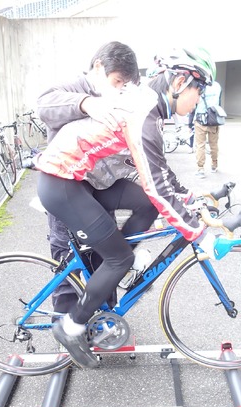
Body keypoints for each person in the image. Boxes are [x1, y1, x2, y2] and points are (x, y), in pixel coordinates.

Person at [35, 48, 222, 367]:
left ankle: (121, 272)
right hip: (61, 183)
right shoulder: (143, 110)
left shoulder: (151, 109)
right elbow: (156, 183)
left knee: (125, 236)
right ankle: (70, 327)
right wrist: (196, 232)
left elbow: (159, 172)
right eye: (198, 90)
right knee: (114, 258)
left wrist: (189, 199)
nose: (199, 100)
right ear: (178, 82)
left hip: (86, 183)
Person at [36, 41, 158, 317]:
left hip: (99, 188)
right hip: (67, 187)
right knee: (71, 262)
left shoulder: (119, 97)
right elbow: (44, 105)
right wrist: (87, 103)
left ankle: (103, 321)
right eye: (116, 81)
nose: (117, 89)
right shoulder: (76, 86)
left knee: (108, 254)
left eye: (123, 85)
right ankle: (68, 334)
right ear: (99, 67)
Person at [193, 80, 223, 177]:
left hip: (200, 119)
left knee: (200, 145)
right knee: (214, 144)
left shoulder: (199, 85)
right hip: (213, 118)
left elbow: (195, 102)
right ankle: (214, 165)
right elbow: (219, 102)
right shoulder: (217, 85)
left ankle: (200, 169)